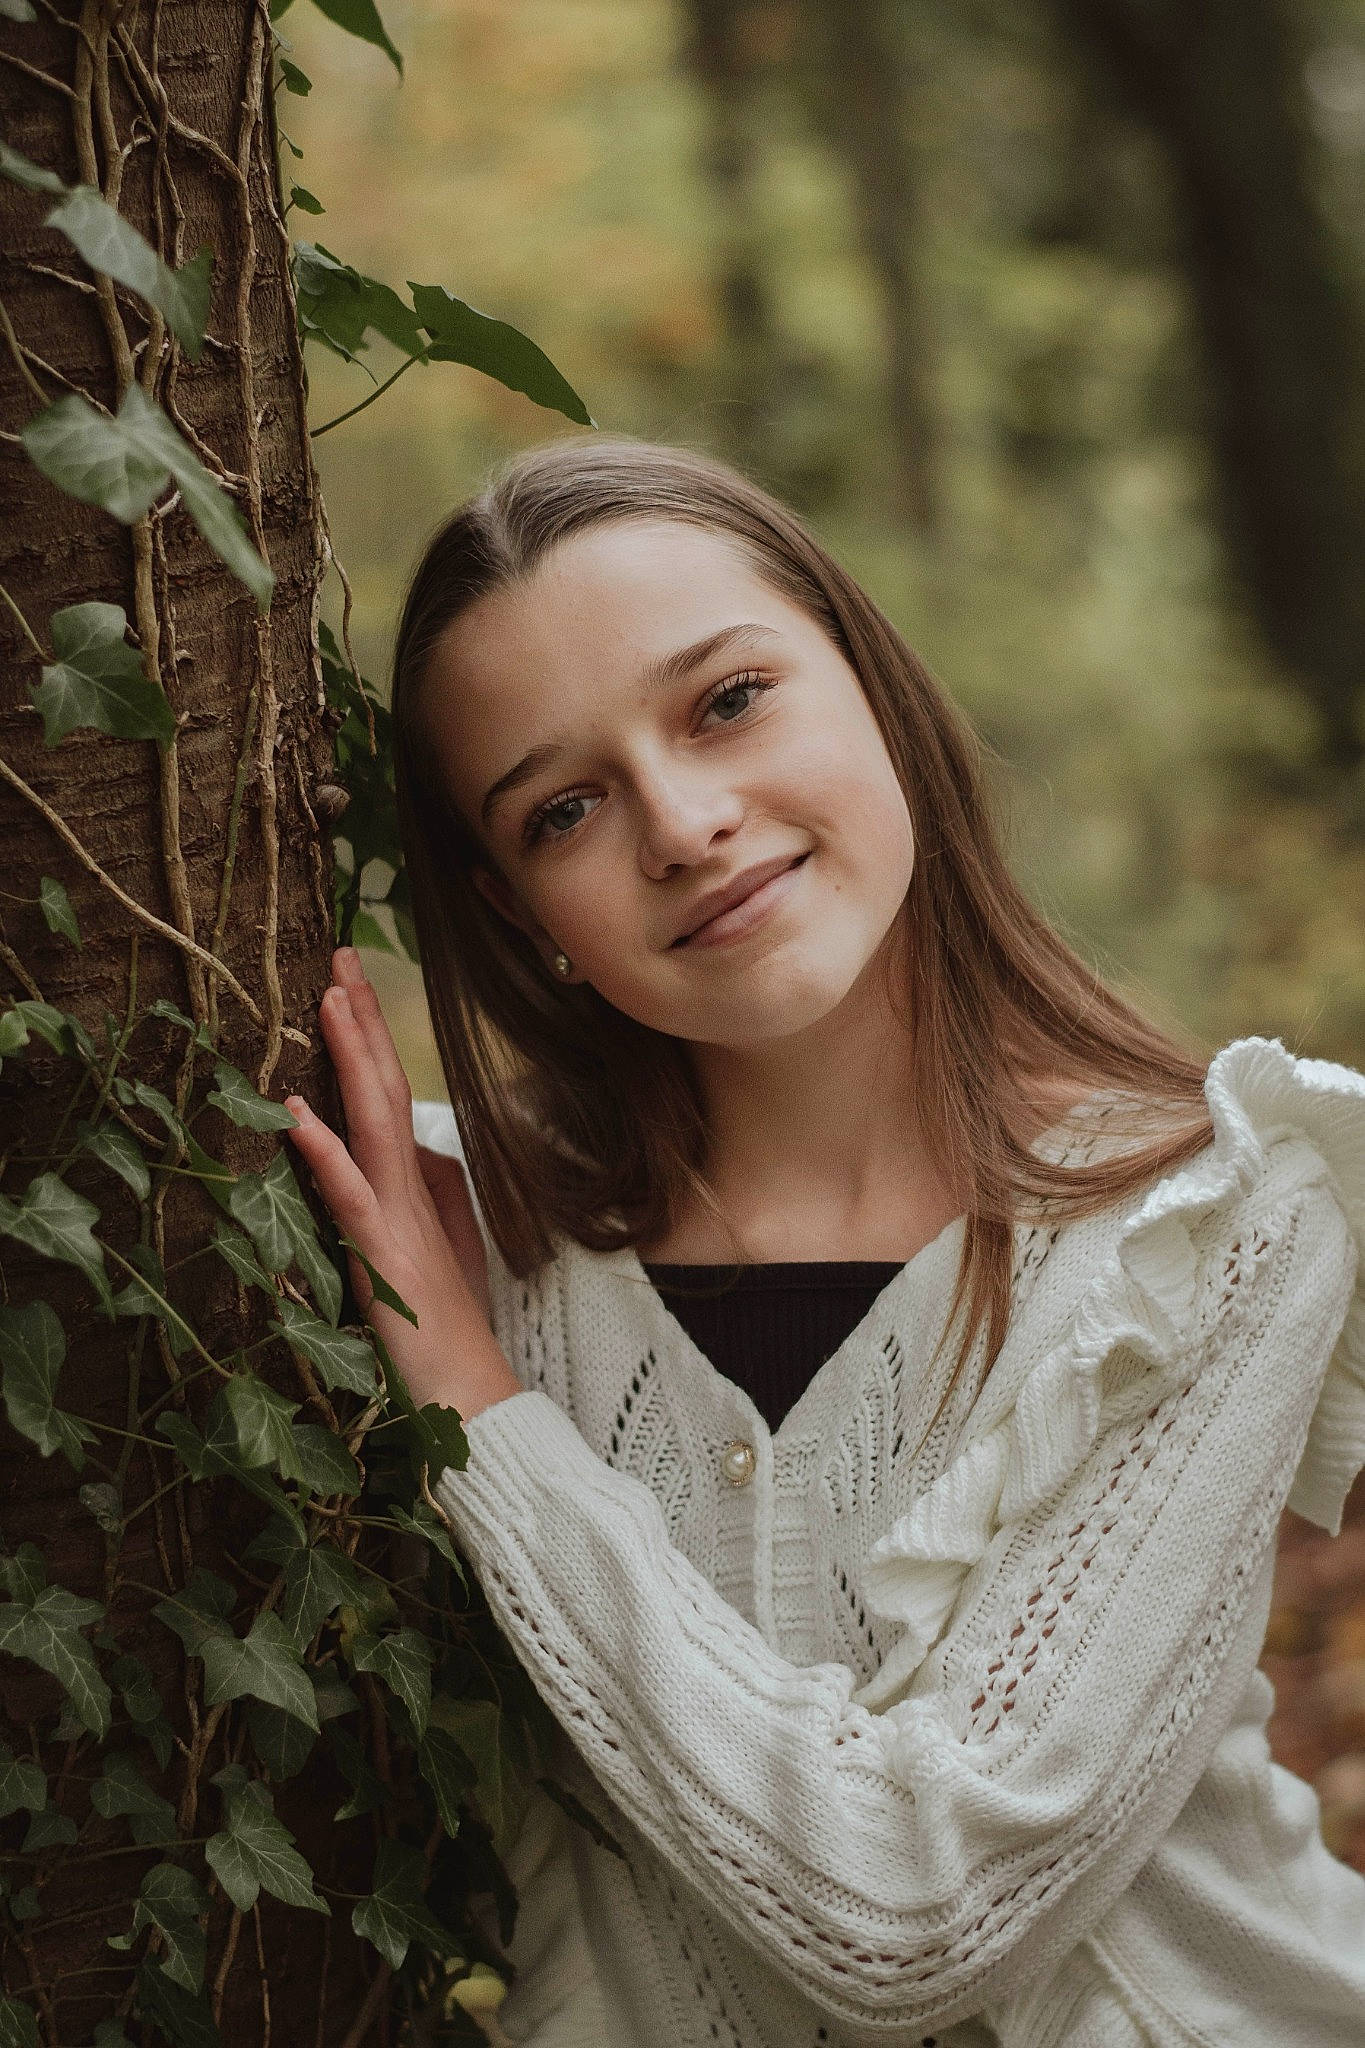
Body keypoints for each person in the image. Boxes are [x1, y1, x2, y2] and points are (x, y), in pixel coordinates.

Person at [283, 436, 1365, 2048]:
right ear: (517, 914)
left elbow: (921, 1914)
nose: (684, 823)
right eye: (563, 807)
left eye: (726, 701)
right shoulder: (443, 1246)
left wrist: (482, 1418)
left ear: (871, 686)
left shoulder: (1211, 1216)